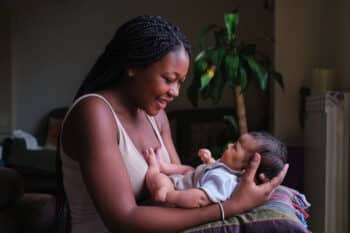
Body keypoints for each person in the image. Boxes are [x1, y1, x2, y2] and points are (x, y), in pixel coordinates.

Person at [57, 15, 289, 233]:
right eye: (168, 80)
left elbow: (180, 190)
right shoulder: (95, 113)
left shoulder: (156, 116)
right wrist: (231, 207)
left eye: (180, 82)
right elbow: (123, 221)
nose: (175, 92)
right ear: (132, 66)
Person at [145, 131, 287, 208]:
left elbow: (200, 198)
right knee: (188, 169)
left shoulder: (223, 181)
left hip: (178, 192)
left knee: (160, 179)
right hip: (192, 178)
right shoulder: (229, 172)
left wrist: (171, 196)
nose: (229, 145)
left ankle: (154, 169)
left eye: (235, 148)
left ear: (245, 169)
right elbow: (216, 170)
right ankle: (163, 166)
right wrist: (209, 161)